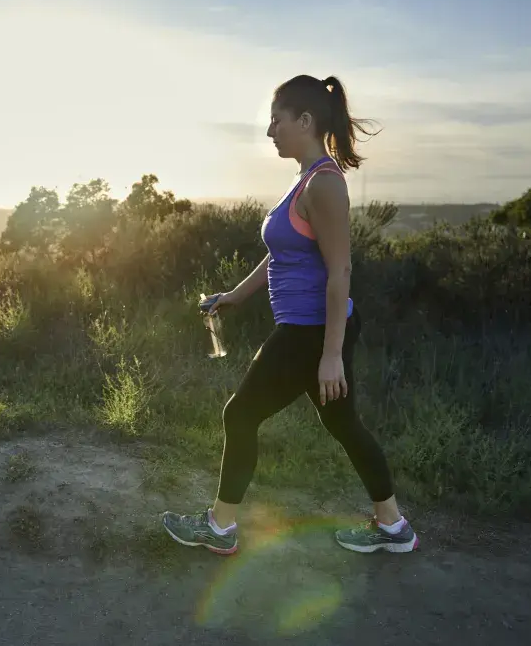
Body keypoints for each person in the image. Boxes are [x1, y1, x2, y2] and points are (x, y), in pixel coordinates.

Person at [162, 74, 419, 555]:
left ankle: (219, 528)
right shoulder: (304, 181)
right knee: (344, 425)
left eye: (276, 120)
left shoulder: (324, 185)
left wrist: (330, 354)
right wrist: (236, 295)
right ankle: (393, 526)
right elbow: (282, 252)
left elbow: (340, 271)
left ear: (304, 121)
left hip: (312, 330)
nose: (269, 131)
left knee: (239, 415)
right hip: (310, 329)